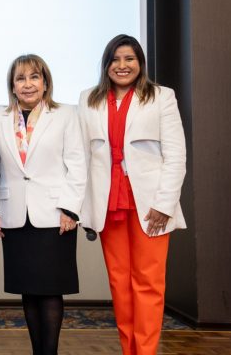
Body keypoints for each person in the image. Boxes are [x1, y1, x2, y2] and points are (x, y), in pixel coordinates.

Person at [78, 34, 186, 355]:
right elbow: (81, 156)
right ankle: (130, 350)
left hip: (150, 205)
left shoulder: (161, 97)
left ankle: (146, 352)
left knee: (148, 284)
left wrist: (165, 204)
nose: (122, 66)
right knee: (120, 285)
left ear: (140, 63)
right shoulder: (88, 99)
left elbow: (176, 155)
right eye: (115, 59)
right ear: (106, 64)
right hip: (108, 203)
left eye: (129, 59)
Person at [0, 54, 86, 355]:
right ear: (12, 86)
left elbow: (77, 164)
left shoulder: (66, 114)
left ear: (45, 82)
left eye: (34, 77)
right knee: (28, 289)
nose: (28, 84)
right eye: (20, 78)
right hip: (14, 214)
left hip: (55, 215)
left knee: (51, 289)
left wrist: (71, 208)